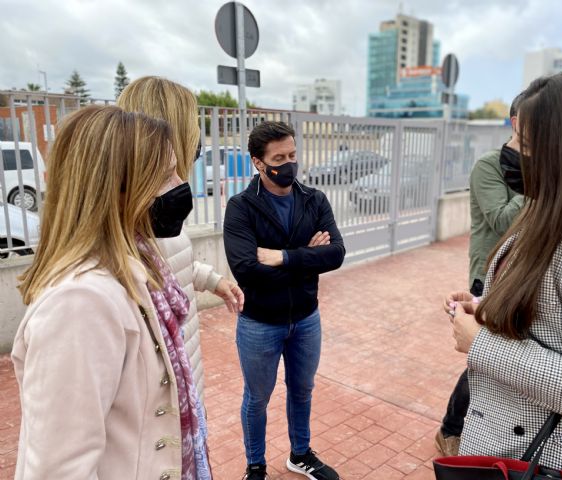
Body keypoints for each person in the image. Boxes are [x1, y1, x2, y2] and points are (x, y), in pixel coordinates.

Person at [445, 70, 562, 478]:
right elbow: (556, 315)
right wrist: (486, 307)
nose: (511, 151)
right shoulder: (552, 209)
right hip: (514, 445)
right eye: (514, 137)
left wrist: (483, 343)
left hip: (552, 459)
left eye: (526, 144)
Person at [12, 105, 212, 479]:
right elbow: (61, 469)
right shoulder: (80, 304)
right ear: (117, 189)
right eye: (166, 176)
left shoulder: (138, 263)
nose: (180, 185)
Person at [223, 121, 345, 480]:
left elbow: (336, 254)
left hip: (306, 318)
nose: (289, 163)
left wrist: (283, 257)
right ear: (259, 163)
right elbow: (246, 270)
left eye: (292, 155)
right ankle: (255, 466)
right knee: (257, 397)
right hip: (259, 322)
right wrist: (307, 257)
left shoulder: (314, 199)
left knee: (303, 389)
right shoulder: (241, 207)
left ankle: (300, 454)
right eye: (279, 158)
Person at [117, 76, 244, 405]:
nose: (198, 142)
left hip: (185, 393)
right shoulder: (118, 240)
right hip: (162, 419)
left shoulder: (158, 220)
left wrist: (210, 280)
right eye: (192, 127)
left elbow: (168, 264)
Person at [435, 92, 527, 456]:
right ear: (517, 122)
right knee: (484, 357)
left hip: (522, 276)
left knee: (495, 359)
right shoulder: (489, 166)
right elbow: (503, 220)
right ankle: (450, 429)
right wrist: (537, 184)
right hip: (489, 275)